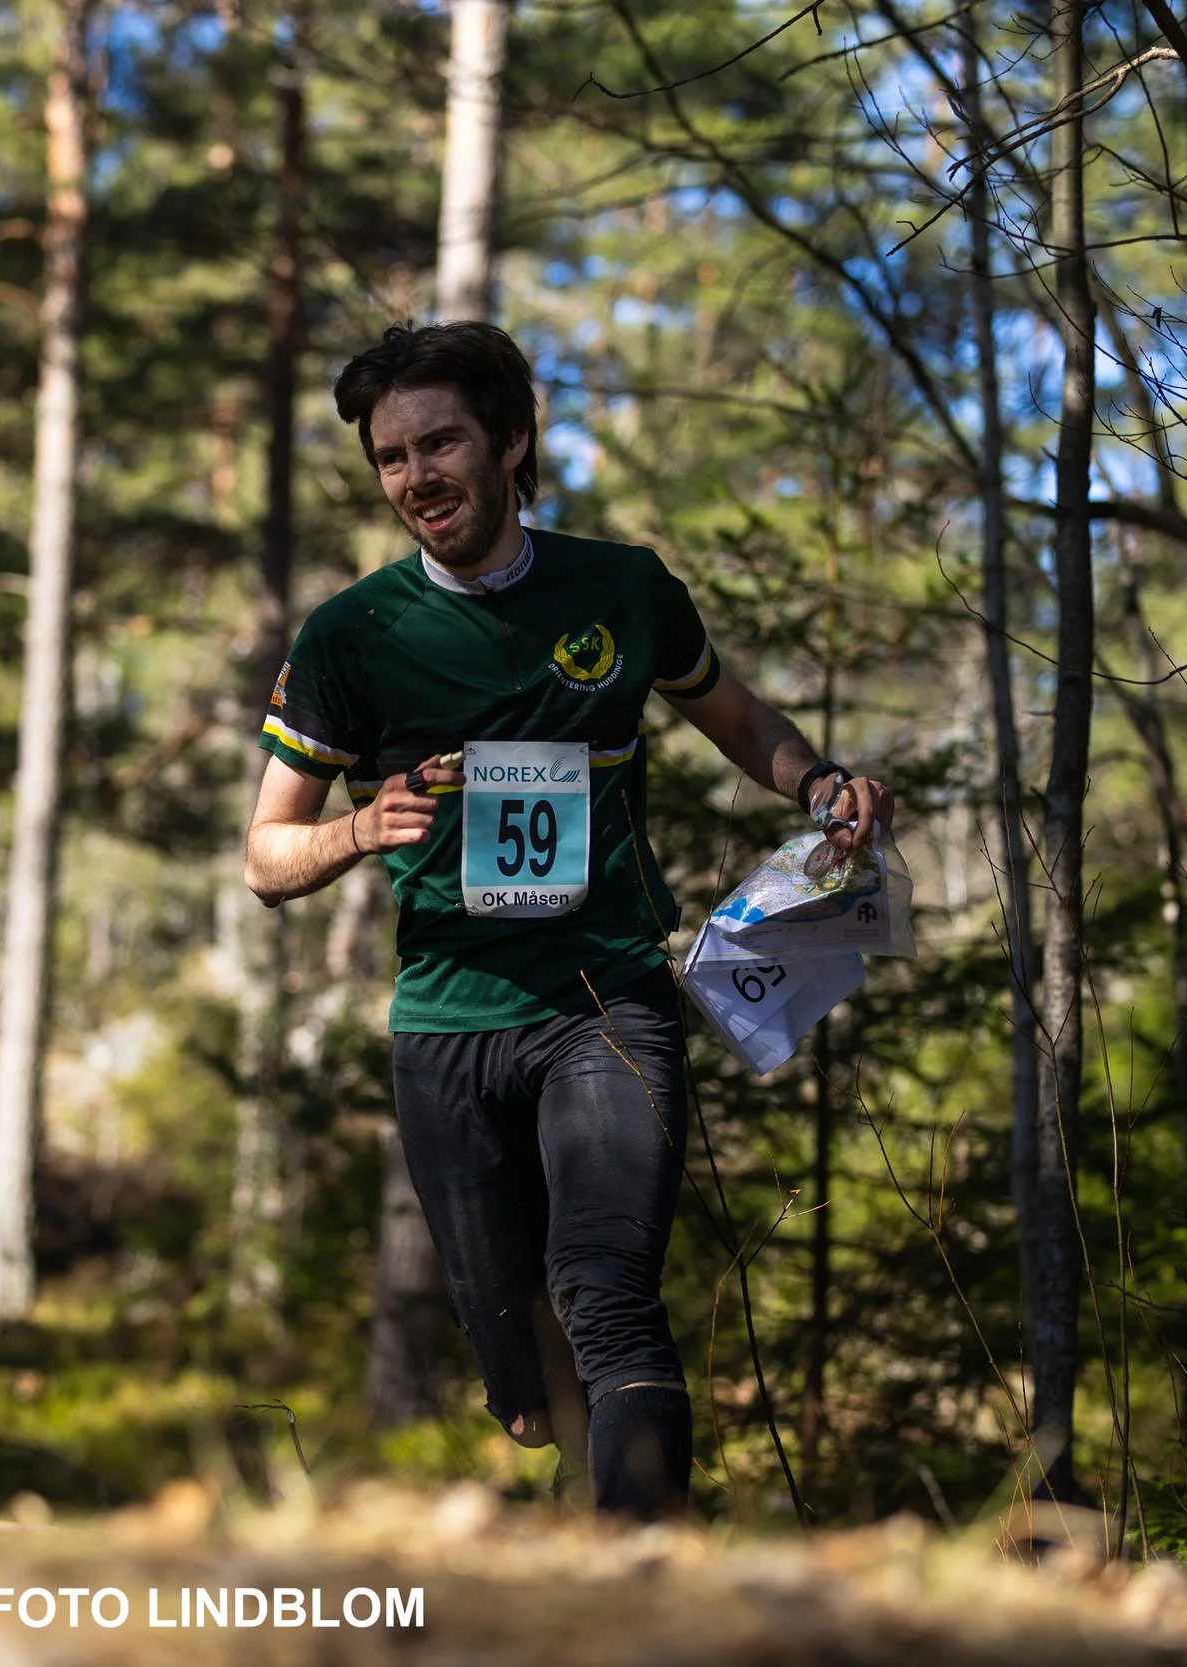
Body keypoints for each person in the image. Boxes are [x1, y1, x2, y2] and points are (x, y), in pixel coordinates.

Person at [243, 321, 892, 1519]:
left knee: (608, 1289)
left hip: (603, 1001)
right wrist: (354, 828)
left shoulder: (621, 588)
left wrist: (818, 784)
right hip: (446, 1023)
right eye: (390, 458)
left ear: (511, 441)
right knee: (526, 1376)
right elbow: (266, 855)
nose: (416, 476)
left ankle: (644, 1569)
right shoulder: (352, 636)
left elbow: (740, 720)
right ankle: (584, 1532)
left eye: (439, 442)